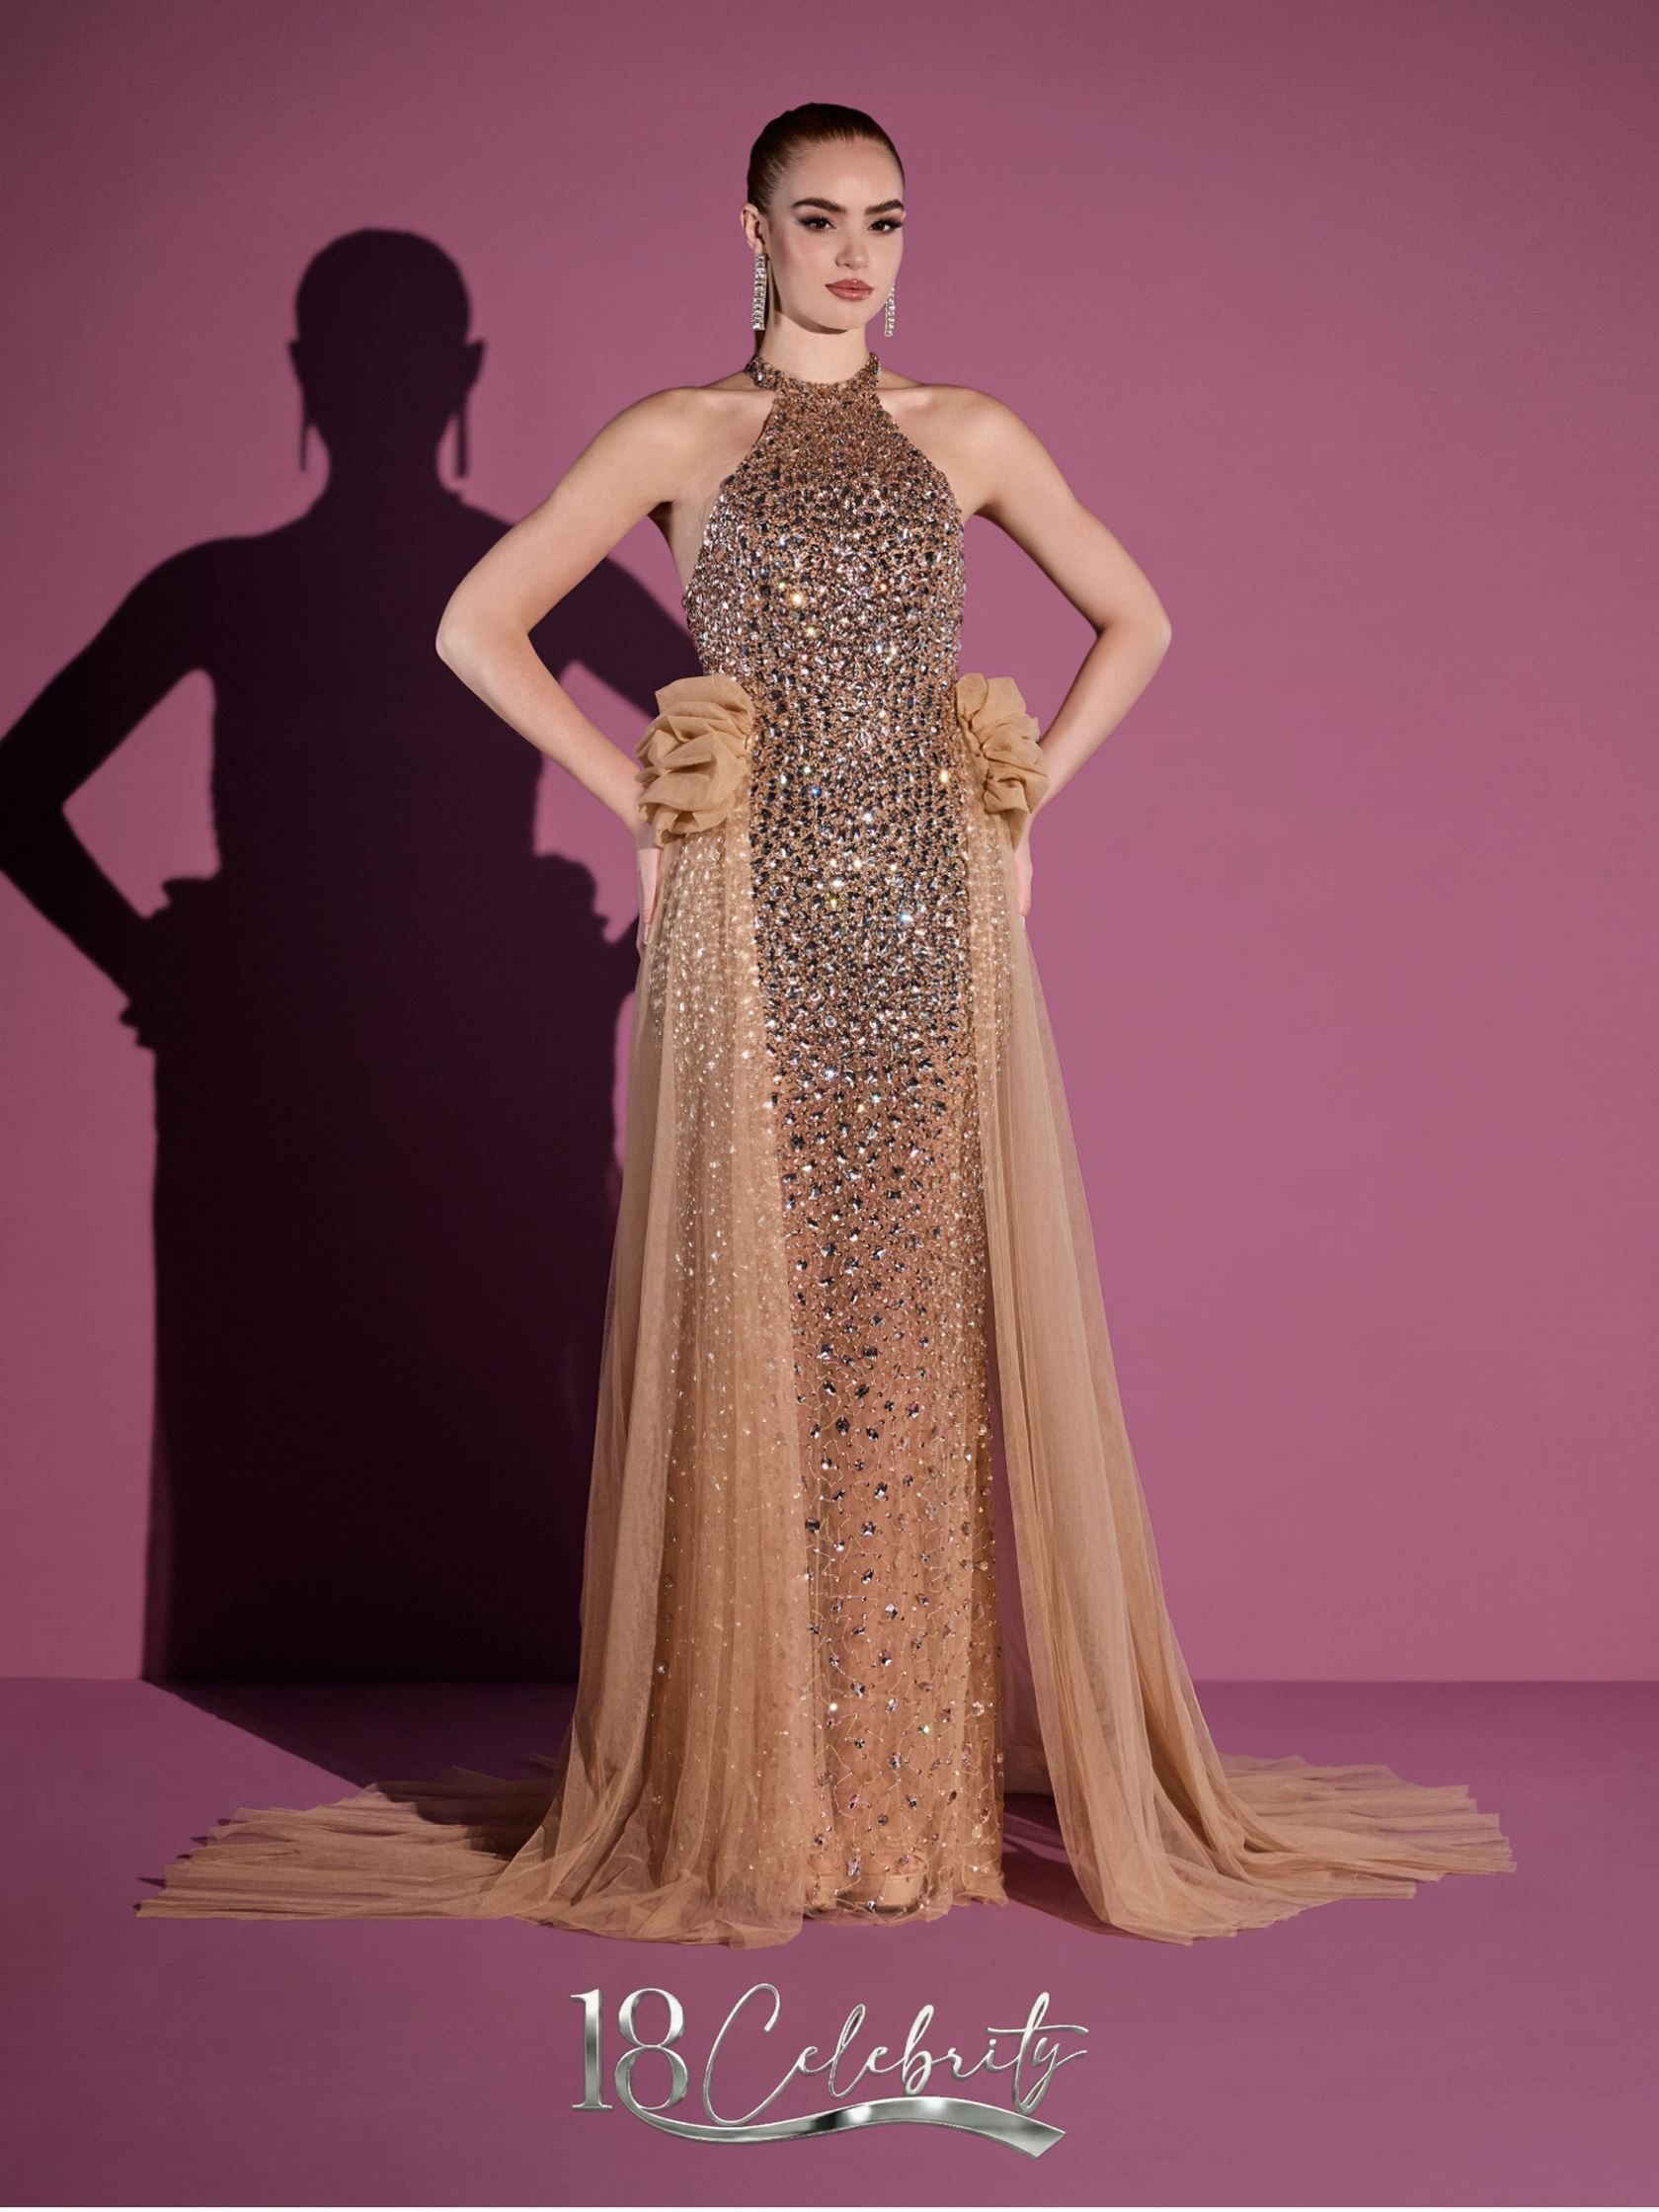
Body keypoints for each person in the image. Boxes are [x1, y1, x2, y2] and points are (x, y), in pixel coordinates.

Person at [137, 104, 1513, 1946]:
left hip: (932, 934)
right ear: (753, 232)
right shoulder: (676, 435)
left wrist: (1020, 804)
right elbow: (479, 625)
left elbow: (1138, 621)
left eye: (884, 221)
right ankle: (766, 1790)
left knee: (912, 1343)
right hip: (749, 940)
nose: (855, 255)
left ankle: (905, 1795)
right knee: (758, 1331)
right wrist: (636, 796)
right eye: (818, 219)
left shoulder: (971, 433)